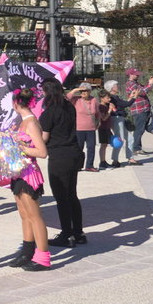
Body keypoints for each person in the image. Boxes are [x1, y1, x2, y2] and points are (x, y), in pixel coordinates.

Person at [6, 89, 51, 271]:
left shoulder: (31, 123)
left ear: (16, 103)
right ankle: (27, 253)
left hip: (28, 173)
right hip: (19, 172)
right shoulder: (23, 122)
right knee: (25, 215)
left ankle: (43, 257)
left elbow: (42, 152)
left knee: (34, 216)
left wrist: (18, 148)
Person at [40, 78, 86, 248]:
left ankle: (66, 235)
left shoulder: (49, 112)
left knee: (61, 197)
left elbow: (44, 138)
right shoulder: (69, 107)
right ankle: (78, 232)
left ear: (46, 92)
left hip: (59, 156)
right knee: (72, 195)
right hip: (74, 152)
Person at [98, 81, 137, 168]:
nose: (118, 87)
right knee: (119, 139)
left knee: (129, 138)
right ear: (112, 88)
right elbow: (125, 104)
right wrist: (135, 97)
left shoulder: (114, 97)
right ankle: (115, 160)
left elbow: (122, 104)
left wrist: (131, 97)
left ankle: (130, 158)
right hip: (116, 118)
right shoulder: (112, 98)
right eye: (116, 86)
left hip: (120, 118)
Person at [68, 83, 100, 172]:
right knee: (79, 148)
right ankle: (77, 165)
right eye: (81, 91)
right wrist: (75, 90)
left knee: (91, 148)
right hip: (79, 128)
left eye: (85, 91)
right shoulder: (76, 99)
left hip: (91, 128)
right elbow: (67, 98)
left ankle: (89, 165)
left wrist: (99, 121)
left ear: (90, 91)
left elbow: (97, 112)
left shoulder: (94, 100)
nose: (83, 93)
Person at [125, 68, 153, 157]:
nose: (137, 75)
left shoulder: (135, 84)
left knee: (140, 129)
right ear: (130, 75)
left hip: (143, 109)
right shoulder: (130, 84)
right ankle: (136, 149)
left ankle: (137, 148)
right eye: (135, 74)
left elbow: (143, 89)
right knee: (139, 129)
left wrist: (148, 84)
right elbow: (142, 92)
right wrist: (150, 84)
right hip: (139, 110)